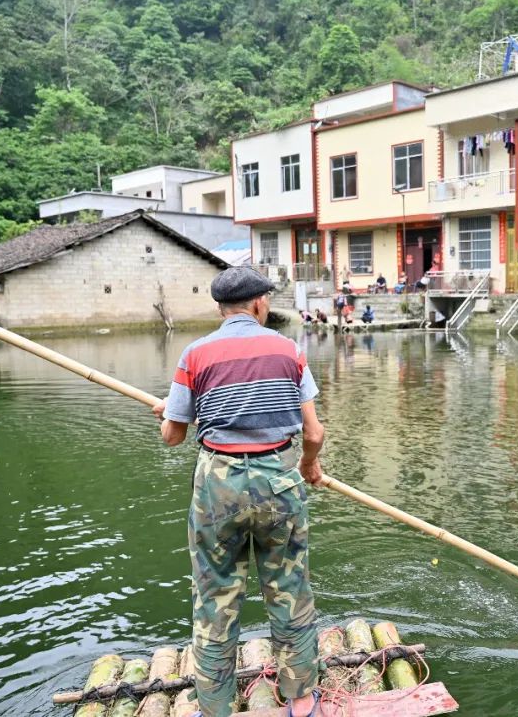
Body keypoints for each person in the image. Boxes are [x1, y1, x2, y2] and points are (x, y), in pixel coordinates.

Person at [152, 266, 325, 717]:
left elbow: (173, 437)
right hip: (278, 478)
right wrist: (308, 465)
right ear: (260, 303)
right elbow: (314, 431)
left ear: (220, 308)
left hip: (218, 484)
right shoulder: (290, 350)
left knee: (215, 594)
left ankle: (214, 706)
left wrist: (169, 415)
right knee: (288, 586)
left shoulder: (194, 354)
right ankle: (301, 700)